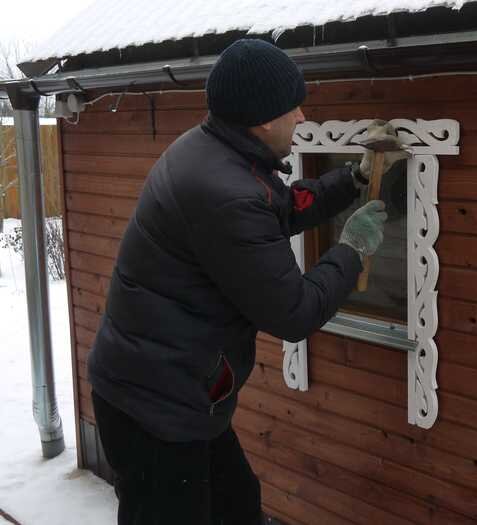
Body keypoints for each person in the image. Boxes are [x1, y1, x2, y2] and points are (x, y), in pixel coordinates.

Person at [87, 39, 408, 525]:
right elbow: (293, 312)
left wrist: (353, 179)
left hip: (172, 387)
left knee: (236, 503)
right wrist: (352, 248)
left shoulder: (217, 152)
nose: (302, 118)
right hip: (155, 408)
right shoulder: (224, 192)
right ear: (262, 120)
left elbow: (277, 207)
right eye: (292, 108)